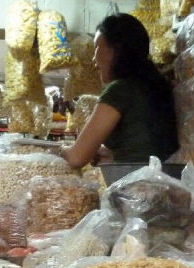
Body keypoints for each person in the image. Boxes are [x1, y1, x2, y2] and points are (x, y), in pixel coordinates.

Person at [61, 13, 179, 168]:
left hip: (137, 182)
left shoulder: (120, 90)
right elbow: (146, 147)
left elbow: (76, 158)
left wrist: (58, 150)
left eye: (96, 47)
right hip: (165, 179)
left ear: (114, 50)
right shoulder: (155, 86)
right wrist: (112, 155)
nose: (94, 59)